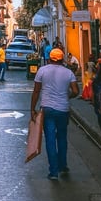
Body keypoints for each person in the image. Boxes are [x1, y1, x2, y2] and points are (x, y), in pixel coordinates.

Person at [30, 47, 79, 179]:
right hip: (63, 109)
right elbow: (75, 91)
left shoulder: (42, 71)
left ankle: (54, 171)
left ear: (50, 58)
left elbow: (36, 91)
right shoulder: (68, 73)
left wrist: (32, 109)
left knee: (50, 139)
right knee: (62, 137)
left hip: (47, 109)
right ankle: (63, 165)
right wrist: (67, 96)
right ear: (62, 59)